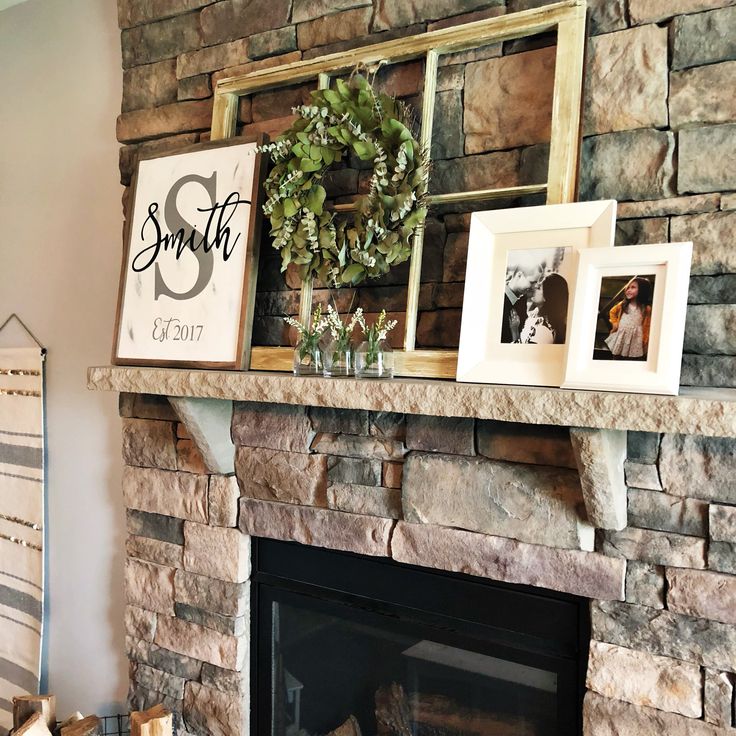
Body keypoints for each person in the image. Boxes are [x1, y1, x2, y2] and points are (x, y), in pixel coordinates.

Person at [604, 277, 653, 360]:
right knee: (616, 356)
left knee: (634, 358)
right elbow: (612, 312)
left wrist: (646, 338)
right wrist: (615, 323)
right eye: (628, 287)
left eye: (633, 287)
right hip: (622, 335)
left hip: (636, 338)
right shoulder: (623, 305)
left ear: (642, 290)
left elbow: (647, 325)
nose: (628, 290)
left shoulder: (646, 308)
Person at [502, 257, 543, 343]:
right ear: (519, 275)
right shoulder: (500, 299)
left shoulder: (522, 300)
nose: (534, 287)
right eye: (532, 282)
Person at [520, 273, 569, 345]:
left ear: (546, 297)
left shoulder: (542, 331)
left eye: (539, 288)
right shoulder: (536, 316)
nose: (535, 287)